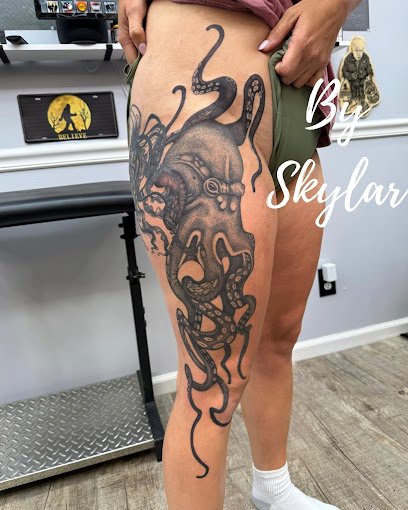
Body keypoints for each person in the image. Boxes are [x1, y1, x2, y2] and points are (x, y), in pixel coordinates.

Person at [118, 0, 362, 509]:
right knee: (211, 378)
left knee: (278, 336)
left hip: (298, 98)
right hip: (195, 64)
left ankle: (273, 490)